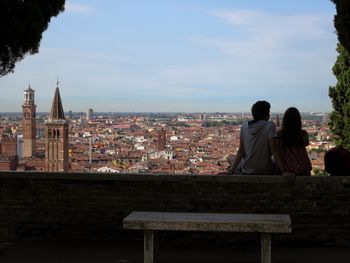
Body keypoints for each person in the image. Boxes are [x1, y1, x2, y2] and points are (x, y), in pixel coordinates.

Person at [228, 100, 285, 175]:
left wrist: (231, 170)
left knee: (230, 157)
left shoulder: (244, 127)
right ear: (266, 114)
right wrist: (284, 170)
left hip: (246, 170)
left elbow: (241, 151)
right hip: (265, 170)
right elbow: (273, 150)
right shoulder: (270, 126)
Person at [277, 107, 312, 175]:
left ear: (285, 120)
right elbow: (307, 143)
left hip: (287, 169)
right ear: (298, 120)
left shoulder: (279, 135)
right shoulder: (303, 134)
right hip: (303, 168)